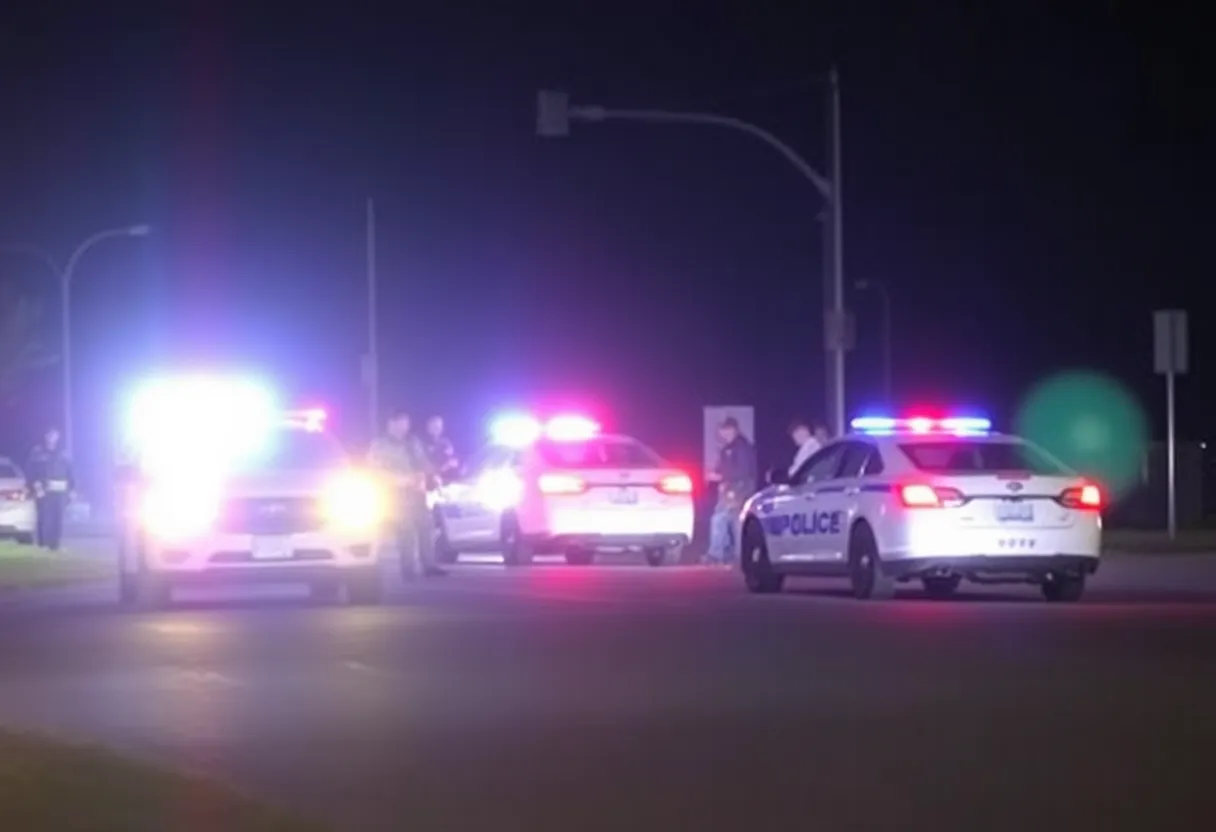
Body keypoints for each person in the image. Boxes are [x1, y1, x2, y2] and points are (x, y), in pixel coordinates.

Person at [368, 409, 444, 578]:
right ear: (391, 424)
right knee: (406, 531)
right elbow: (376, 471)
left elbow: (423, 461)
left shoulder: (412, 442)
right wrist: (401, 480)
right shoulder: (380, 446)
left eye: (406, 423)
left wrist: (433, 475)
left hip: (417, 492)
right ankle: (408, 569)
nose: (405, 427)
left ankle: (429, 565)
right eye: (401, 422)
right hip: (395, 494)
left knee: (426, 527)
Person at [705, 417, 757, 566]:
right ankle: (737, 555)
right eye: (722, 431)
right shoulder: (729, 448)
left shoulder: (740, 447)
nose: (723, 434)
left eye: (726, 430)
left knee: (719, 518)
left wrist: (720, 477)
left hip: (737, 489)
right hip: (732, 488)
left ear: (733, 430)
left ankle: (716, 554)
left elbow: (743, 471)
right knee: (735, 522)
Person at [27, 426, 73, 551]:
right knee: (44, 517)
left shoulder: (63, 453)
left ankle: (55, 544)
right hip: (43, 489)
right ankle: (43, 544)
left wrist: (72, 489)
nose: (52, 437)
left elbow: (70, 472)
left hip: (60, 489)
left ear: (58, 437)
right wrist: (35, 486)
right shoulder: (38, 452)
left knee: (58, 517)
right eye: (49, 434)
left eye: (54, 435)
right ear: (45, 436)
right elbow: (31, 471)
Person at [421, 415, 460, 487]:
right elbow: (423, 466)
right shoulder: (421, 443)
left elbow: (453, 458)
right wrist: (443, 468)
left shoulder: (445, 442)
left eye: (439, 426)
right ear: (428, 427)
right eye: (434, 426)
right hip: (428, 484)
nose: (437, 429)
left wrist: (455, 463)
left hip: (447, 482)